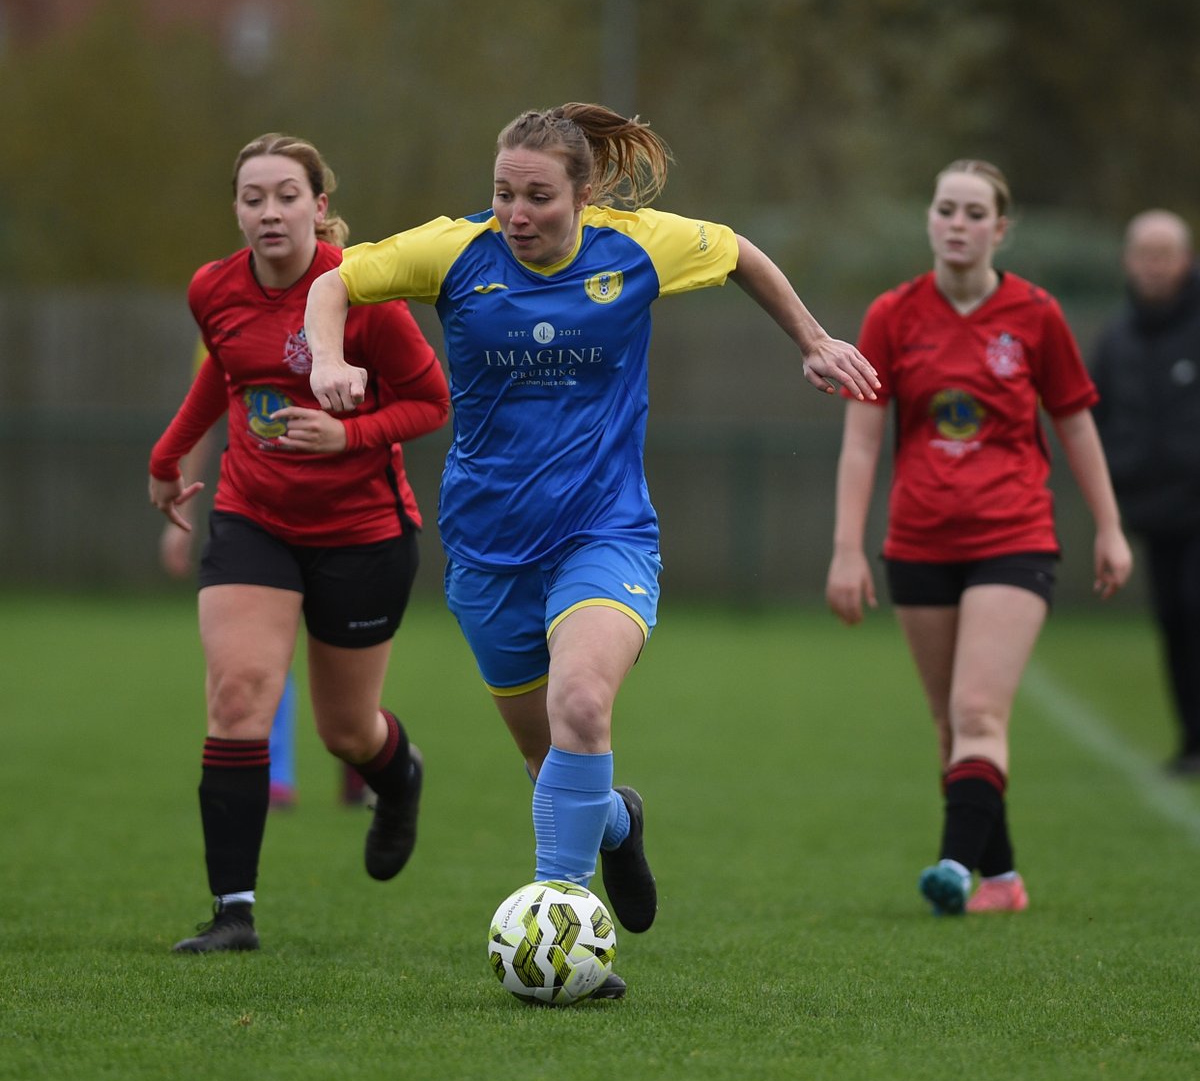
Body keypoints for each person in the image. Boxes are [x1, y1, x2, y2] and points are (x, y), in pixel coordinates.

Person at [303, 102, 880, 999]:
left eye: (537, 196)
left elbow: (739, 254)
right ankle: (615, 824)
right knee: (552, 765)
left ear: (583, 196)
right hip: (489, 553)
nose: (516, 213)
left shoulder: (638, 246)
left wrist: (814, 339)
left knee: (581, 704)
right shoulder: (457, 251)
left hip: (603, 533)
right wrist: (325, 360)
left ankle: (562, 919)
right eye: (503, 193)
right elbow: (335, 279)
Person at [148, 133, 450, 953]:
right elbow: (224, 371)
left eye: (287, 194)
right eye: (253, 197)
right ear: (237, 210)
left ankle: (401, 776)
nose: (269, 211)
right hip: (253, 518)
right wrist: (167, 454)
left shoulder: (365, 297)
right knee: (241, 694)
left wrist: (347, 438)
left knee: (346, 732)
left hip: (363, 532)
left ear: (320, 206)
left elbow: (432, 402)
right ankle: (233, 911)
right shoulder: (213, 288)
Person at [825, 159, 1133, 916]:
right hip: (918, 541)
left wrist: (1111, 528)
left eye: (973, 213)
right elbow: (863, 441)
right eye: (945, 210)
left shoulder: (1036, 314)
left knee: (977, 713)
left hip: (1014, 536)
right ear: (929, 219)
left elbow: (1075, 421)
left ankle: (955, 869)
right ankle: (1001, 879)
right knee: (949, 726)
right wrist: (845, 547)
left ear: (1000, 227)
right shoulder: (892, 315)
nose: (957, 224)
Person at [159, 380, 372, 810]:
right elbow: (202, 419)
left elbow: (416, 402)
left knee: (346, 659)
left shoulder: (358, 314)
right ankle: (273, 776)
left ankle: (364, 755)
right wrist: (180, 510)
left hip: (349, 515)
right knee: (258, 657)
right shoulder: (225, 322)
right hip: (261, 518)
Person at [1093, 210, 1200, 775]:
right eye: (1145, 254)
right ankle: (1191, 740)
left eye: (1166, 254)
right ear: (1128, 262)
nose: (1155, 266)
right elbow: (1094, 419)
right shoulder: (1116, 339)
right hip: (1154, 511)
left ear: (1186, 259)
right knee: (1175, 622)